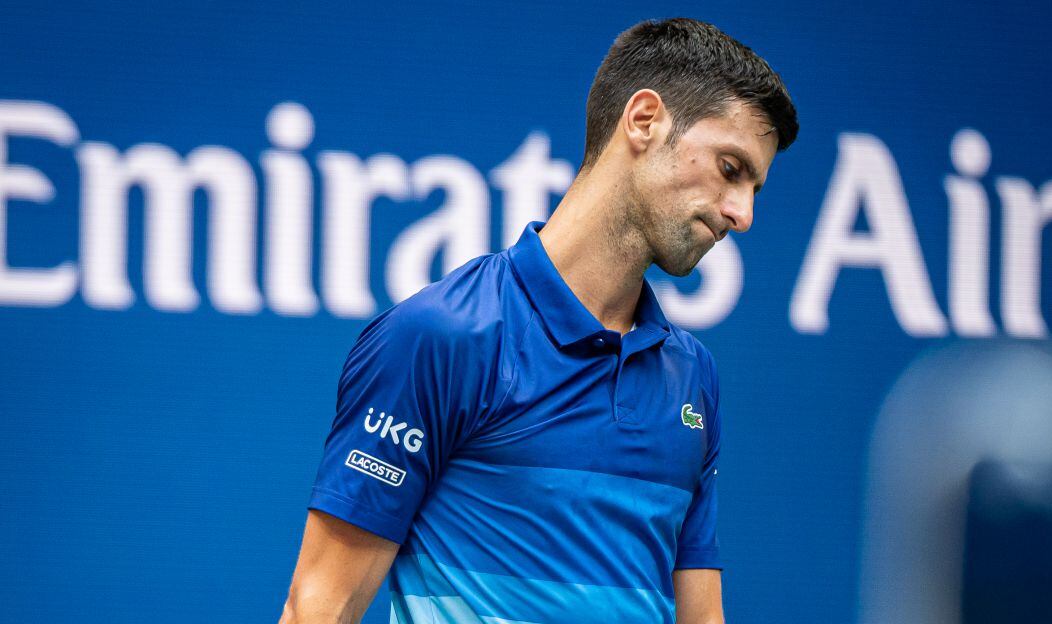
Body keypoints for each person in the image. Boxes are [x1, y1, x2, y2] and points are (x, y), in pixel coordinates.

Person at [280, 16, 797, 624]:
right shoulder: (442, 336)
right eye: (731, 169)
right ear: (644, 120)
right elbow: (320, 609)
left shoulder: (693, 376)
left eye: (755, 188)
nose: (742, 214)